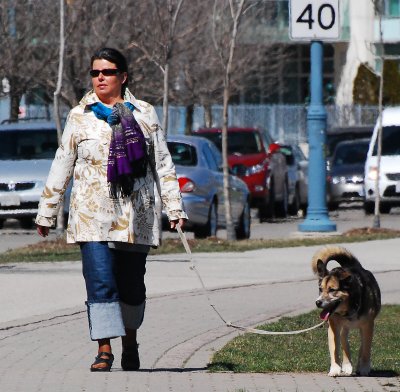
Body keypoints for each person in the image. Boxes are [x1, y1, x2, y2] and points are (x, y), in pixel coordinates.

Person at [35, 47, 187, 372]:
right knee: (100, 281)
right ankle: (104, 348)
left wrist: (175, 207)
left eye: (107, 72)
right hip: (91, 217)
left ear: (123, 76)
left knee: (131, 285)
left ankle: (130, 341)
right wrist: (47, 211)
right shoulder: (79, 116)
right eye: (95, 73)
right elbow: (62, 163)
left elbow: (162, 162)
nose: (100, 77)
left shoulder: (144, 113)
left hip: (135, 216)